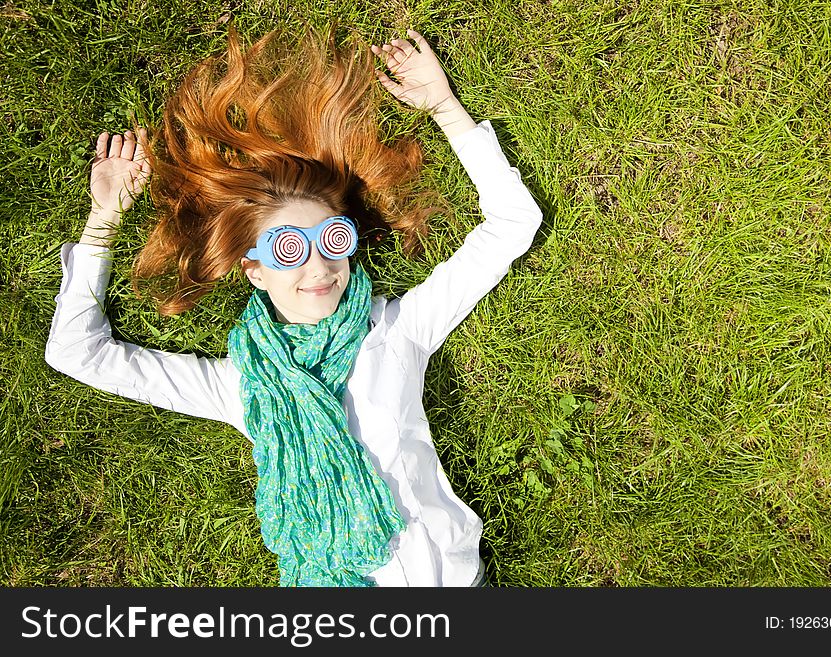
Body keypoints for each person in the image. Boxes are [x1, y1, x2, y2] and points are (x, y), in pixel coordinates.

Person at [45, 22, 543, 587]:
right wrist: (104, 218)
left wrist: (444, 108)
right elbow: (76, 353)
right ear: (253, 269)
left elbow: (512, 224)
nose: (320, 266)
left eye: (334, 238)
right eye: (289, 249)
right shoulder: (243, 386)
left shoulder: (397, 331)